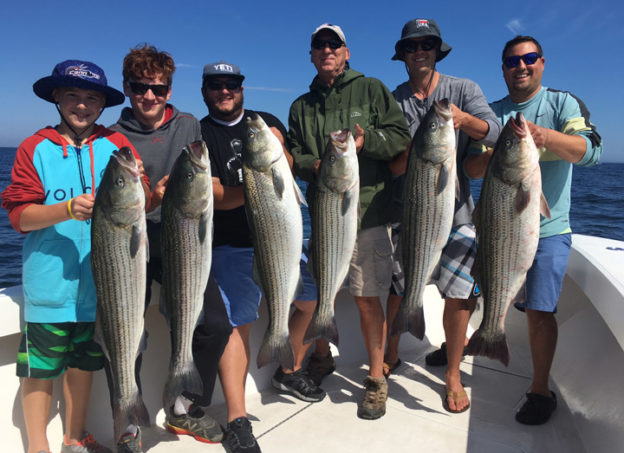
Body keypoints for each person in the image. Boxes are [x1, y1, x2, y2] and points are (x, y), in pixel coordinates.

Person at [1, 60, 149, 453]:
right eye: (73, 96)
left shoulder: (116, 145)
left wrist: (150, 192)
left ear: (102, 105)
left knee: (85, 364)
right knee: (40, 370)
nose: (82, 105)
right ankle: (37, 446)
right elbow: (19, 215)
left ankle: (74, 435)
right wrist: (65, 210)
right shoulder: (35, 147)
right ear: (56, 98)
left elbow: (142, 190)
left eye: (91, 98)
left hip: (105, 290)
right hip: (49, 285)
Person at [199, 60, 325, 453]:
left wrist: (279, 150)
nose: (225, 91)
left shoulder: (264, 120)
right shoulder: (200, 134)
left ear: (242, 87)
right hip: (229, 244)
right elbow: (213, 196)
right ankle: (237, 419)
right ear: (205, 91)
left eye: (231, 84)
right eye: (216, 85)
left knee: (309, 301)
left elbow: (287, 171)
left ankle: (288, 368)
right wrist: (255, 184)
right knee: (241, 321)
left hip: (281, 238)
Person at [288, 23, 411, 420]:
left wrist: (365, 142)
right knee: (322, 292)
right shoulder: (301, 106)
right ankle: (321, 356)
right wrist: (314, 164)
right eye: (319, 45)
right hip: (323, 214)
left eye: (333, 44)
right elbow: (294, 155)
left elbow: (400, 138)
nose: (326, 49)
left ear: (346, 52)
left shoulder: (372, 88)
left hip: (369, 213)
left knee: (365, 298)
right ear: (311, 54)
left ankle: (376, 379)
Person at [109, 45, 227, 450]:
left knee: (214, 324)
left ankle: (184, 407)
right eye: (140, 88)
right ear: (126, 88)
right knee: (126, 334)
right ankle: (127, 424)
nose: (149, 96)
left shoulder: (189, 126)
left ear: (170, 91)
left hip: (184, 242)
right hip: (130, 248)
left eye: (158, 89)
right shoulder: (112, 137)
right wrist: (153, 199)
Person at [481, 35, 602, 425]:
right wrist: (495, 155)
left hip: (549, 229)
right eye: (513, 61)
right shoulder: (492, 111)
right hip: (500, 226)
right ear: (503, 68)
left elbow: (591, 152)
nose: (521, 66)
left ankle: (539, 390)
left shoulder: (562, 103)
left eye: (529, 58)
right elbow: (468, 166)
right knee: (465, 283)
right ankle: (476, 339)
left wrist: (544, 137)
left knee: (539, 311)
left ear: (542, 63)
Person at [385, 18, 501, 414]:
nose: (421, 51)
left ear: (437, 50)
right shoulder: (392, 99)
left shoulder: (464, 89)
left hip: (459, 216)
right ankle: (391, 351)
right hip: (407, 214)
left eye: (428, 44)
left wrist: (464, 121)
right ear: (402, 54)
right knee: (399, 289)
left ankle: (452, 372)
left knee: (459, 296)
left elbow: (498, 134)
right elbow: (388, 163)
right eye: (413, 46)